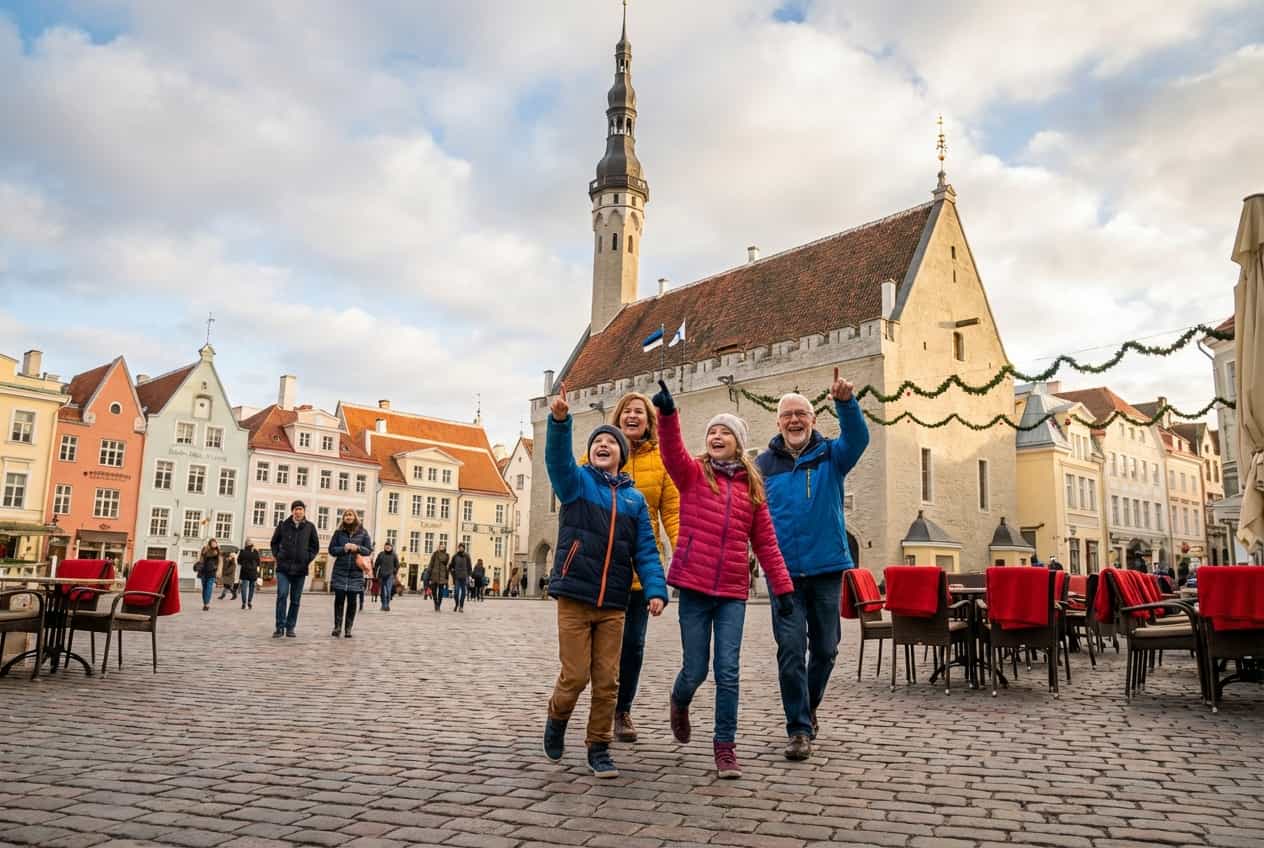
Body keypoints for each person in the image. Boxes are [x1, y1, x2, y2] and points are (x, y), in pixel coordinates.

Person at [650, 380, 794, 780]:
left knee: (728, 671)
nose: (716, 436)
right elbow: (671, 452)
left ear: (738, 444)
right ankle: (680, 700)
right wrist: (667, 415)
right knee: (696, 670)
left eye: (724, 432)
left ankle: (725, 748)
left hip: (731, 592)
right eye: (712, 431)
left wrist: (783, 588)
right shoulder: (693, 475)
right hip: (694, 588)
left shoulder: (752, 490)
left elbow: (766, 543)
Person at [542, 381, 668, 779]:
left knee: (608, 681)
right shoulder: (576, 484)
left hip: (614, 602)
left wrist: (655, 589)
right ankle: (557, 717)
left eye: (610, 443)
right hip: (575, 597)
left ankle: (599, 747)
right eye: (598, 441)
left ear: (621, 456)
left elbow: (645, 550)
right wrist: (559, 423)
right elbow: (557, 461)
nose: (603, 445)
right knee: (575, 675)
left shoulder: (635, 501)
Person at [756, 368, 870, 762]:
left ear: (813, 419)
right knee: (790, 651)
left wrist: (846, 403)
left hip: (825, 570)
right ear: (778, 423)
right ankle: (799, 729)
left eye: (800, 414)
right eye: (787, 415)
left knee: (826, 649)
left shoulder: (831, 456)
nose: (794, 420)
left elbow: (859, 438)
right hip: (783, 573)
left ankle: (808, 705)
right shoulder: (763, 466)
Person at [582, 390, 681, 744]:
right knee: (599, 647)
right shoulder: (598, 453)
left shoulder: (662, 459)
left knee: (633, 646)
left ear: (649, 420)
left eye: (640, 411)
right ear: (617, 418)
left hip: (640, 569)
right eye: (627, 411)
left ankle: (621, 710)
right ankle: (601, 705)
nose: (633, 416)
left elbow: (673, 513)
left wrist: (684, 554)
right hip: (601, 568)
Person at [270, 500, 320, 638]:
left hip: (300, 569)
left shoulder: (310, 527)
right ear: (292, 511)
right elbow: (274, 542)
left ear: (304, 511)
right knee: (282, 595)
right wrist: (277, 555)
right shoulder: (283, 525)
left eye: (300, 509)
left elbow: (315, 547)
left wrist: (307, 558)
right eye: (296, 509)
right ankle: (279, 627)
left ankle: (290, 627)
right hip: (283, 568)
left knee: (295, 600)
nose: (298, 511)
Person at [329, 509, 373, 638]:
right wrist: (344, 548)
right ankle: (337, 627)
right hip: (340, 571)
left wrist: (357, 548)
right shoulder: (338, 533)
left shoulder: (363, 532)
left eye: (350, 515)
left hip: (356, 572)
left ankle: (348, 629)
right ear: (343, 518)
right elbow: (332, 550)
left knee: (352, 602)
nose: (348, 517)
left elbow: (368, 550)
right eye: (346, 515)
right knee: (339, 600)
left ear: (355, 517)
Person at [196, 540, 221, 611]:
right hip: (203, 571)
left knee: (209, 588)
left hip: (212, 571)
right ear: (210, 544)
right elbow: (201, 559)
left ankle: (207, 604)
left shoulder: (217, 551)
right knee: (204, 588)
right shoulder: (205, 549)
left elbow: (220, 561)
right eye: (213, 543)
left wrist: (218, 571)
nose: (214, 544)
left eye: (215, 543)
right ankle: (205, 604)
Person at [374, 542, 399, 611]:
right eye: (386, 546)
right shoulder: (381, 554)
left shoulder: (394, 555)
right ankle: (383, 605)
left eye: (389, 546)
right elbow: (376, 564)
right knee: (383, 591)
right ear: (384, 547)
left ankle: (387, 605)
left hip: (390, 575)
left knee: (388, 591)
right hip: (381, 575)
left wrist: (394, 573)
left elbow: (397, 565)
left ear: (391, 547)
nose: (387, 547)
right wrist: (375, 574)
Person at [237, 542, 260, 610]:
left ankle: (244, 603)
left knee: (244, 587)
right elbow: (258, 562)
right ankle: (249, 602)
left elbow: (239, 561)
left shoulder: (242, 551)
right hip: (253, 571)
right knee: (251, 588)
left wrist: (244, 563)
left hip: (244, 571)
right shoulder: (255, 552)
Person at [450, 543, 472, 612]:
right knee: (456, 592)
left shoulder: (467, 556)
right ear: (458, 548)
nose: (461, 548)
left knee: (463, 592)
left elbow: (469, 567)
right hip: (457, 577)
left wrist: (469, 575)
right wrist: (453, 574)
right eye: (460, 547)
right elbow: (451, 566)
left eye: (462, 547)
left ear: (464, 548)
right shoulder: (455, 556)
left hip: (464, 577)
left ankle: (461, 606)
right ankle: (457, 604)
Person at [427, 545, 450, 612]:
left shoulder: (447, 555)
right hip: (434, 575)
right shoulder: (435, 554)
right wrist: (429, 572)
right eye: (440, 546)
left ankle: (439, 605)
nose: (442, 547)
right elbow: (431, 564)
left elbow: (446, 563)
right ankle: (435, 603)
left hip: (442, 575)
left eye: (443, 546)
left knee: (441, 592)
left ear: (445, 548)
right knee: (434, 591)